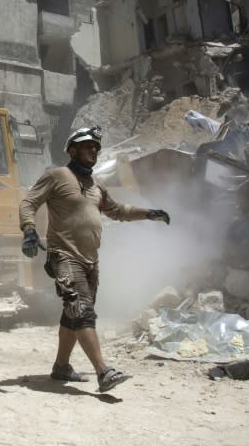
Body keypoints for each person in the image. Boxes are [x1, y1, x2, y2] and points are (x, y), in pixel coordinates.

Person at [19, 126, 171, 393]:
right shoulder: (56, 176)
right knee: (83, 313)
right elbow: (28, 203)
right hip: (64, 257)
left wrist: (148, 213)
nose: (94, 151)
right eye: (88, 146)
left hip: (90, 261)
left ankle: (61, 367)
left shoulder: (96, 185)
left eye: (97, 148)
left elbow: (117, 210)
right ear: (72, 149)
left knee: (72, 315)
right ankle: (104, 371)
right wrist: (29, 230)